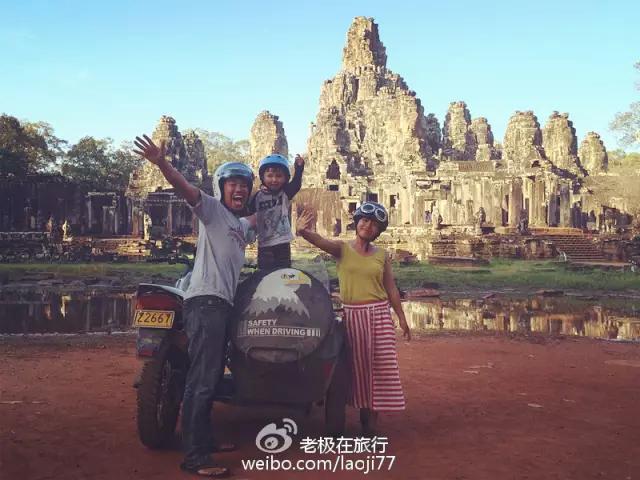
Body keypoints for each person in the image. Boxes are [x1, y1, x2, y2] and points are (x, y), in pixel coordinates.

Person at [134, 134, 255, 478]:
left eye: (244, 186)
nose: (239, 190)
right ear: (221, 188)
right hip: (206, 302)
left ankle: (205, 440)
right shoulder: (212, 211)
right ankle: (195, 456)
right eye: (233, 184)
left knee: (211, 375)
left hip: (223, 305)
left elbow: (262, 216)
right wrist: (162, 163)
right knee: (202, 379)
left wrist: (286, 191)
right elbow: (184, 187)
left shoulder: (238, 225)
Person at [296, 201, 411, 435]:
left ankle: (370, 422)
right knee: (357, 369)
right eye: (365, 221)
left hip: (379, 316)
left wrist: (401, 317)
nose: (368, 226)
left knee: (378, 369)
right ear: (357, 222)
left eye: (374, 224)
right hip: (353, 317)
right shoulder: (342, 249)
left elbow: (390, 288)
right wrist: (303, 231)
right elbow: (320, 241)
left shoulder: (382, 256)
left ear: (379, 231)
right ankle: (358, 411)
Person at [248, 153, 304, 270]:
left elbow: (296, 184)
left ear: (285, 178)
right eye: (270, 176)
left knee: (284, 273)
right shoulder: (257, 197)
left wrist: (299, 169)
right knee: (264, 273)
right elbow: (248, 214)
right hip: (265, 244)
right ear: (262, 177)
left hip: (282, 243)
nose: (274, 180)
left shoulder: (285, 193)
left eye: (279, 176)